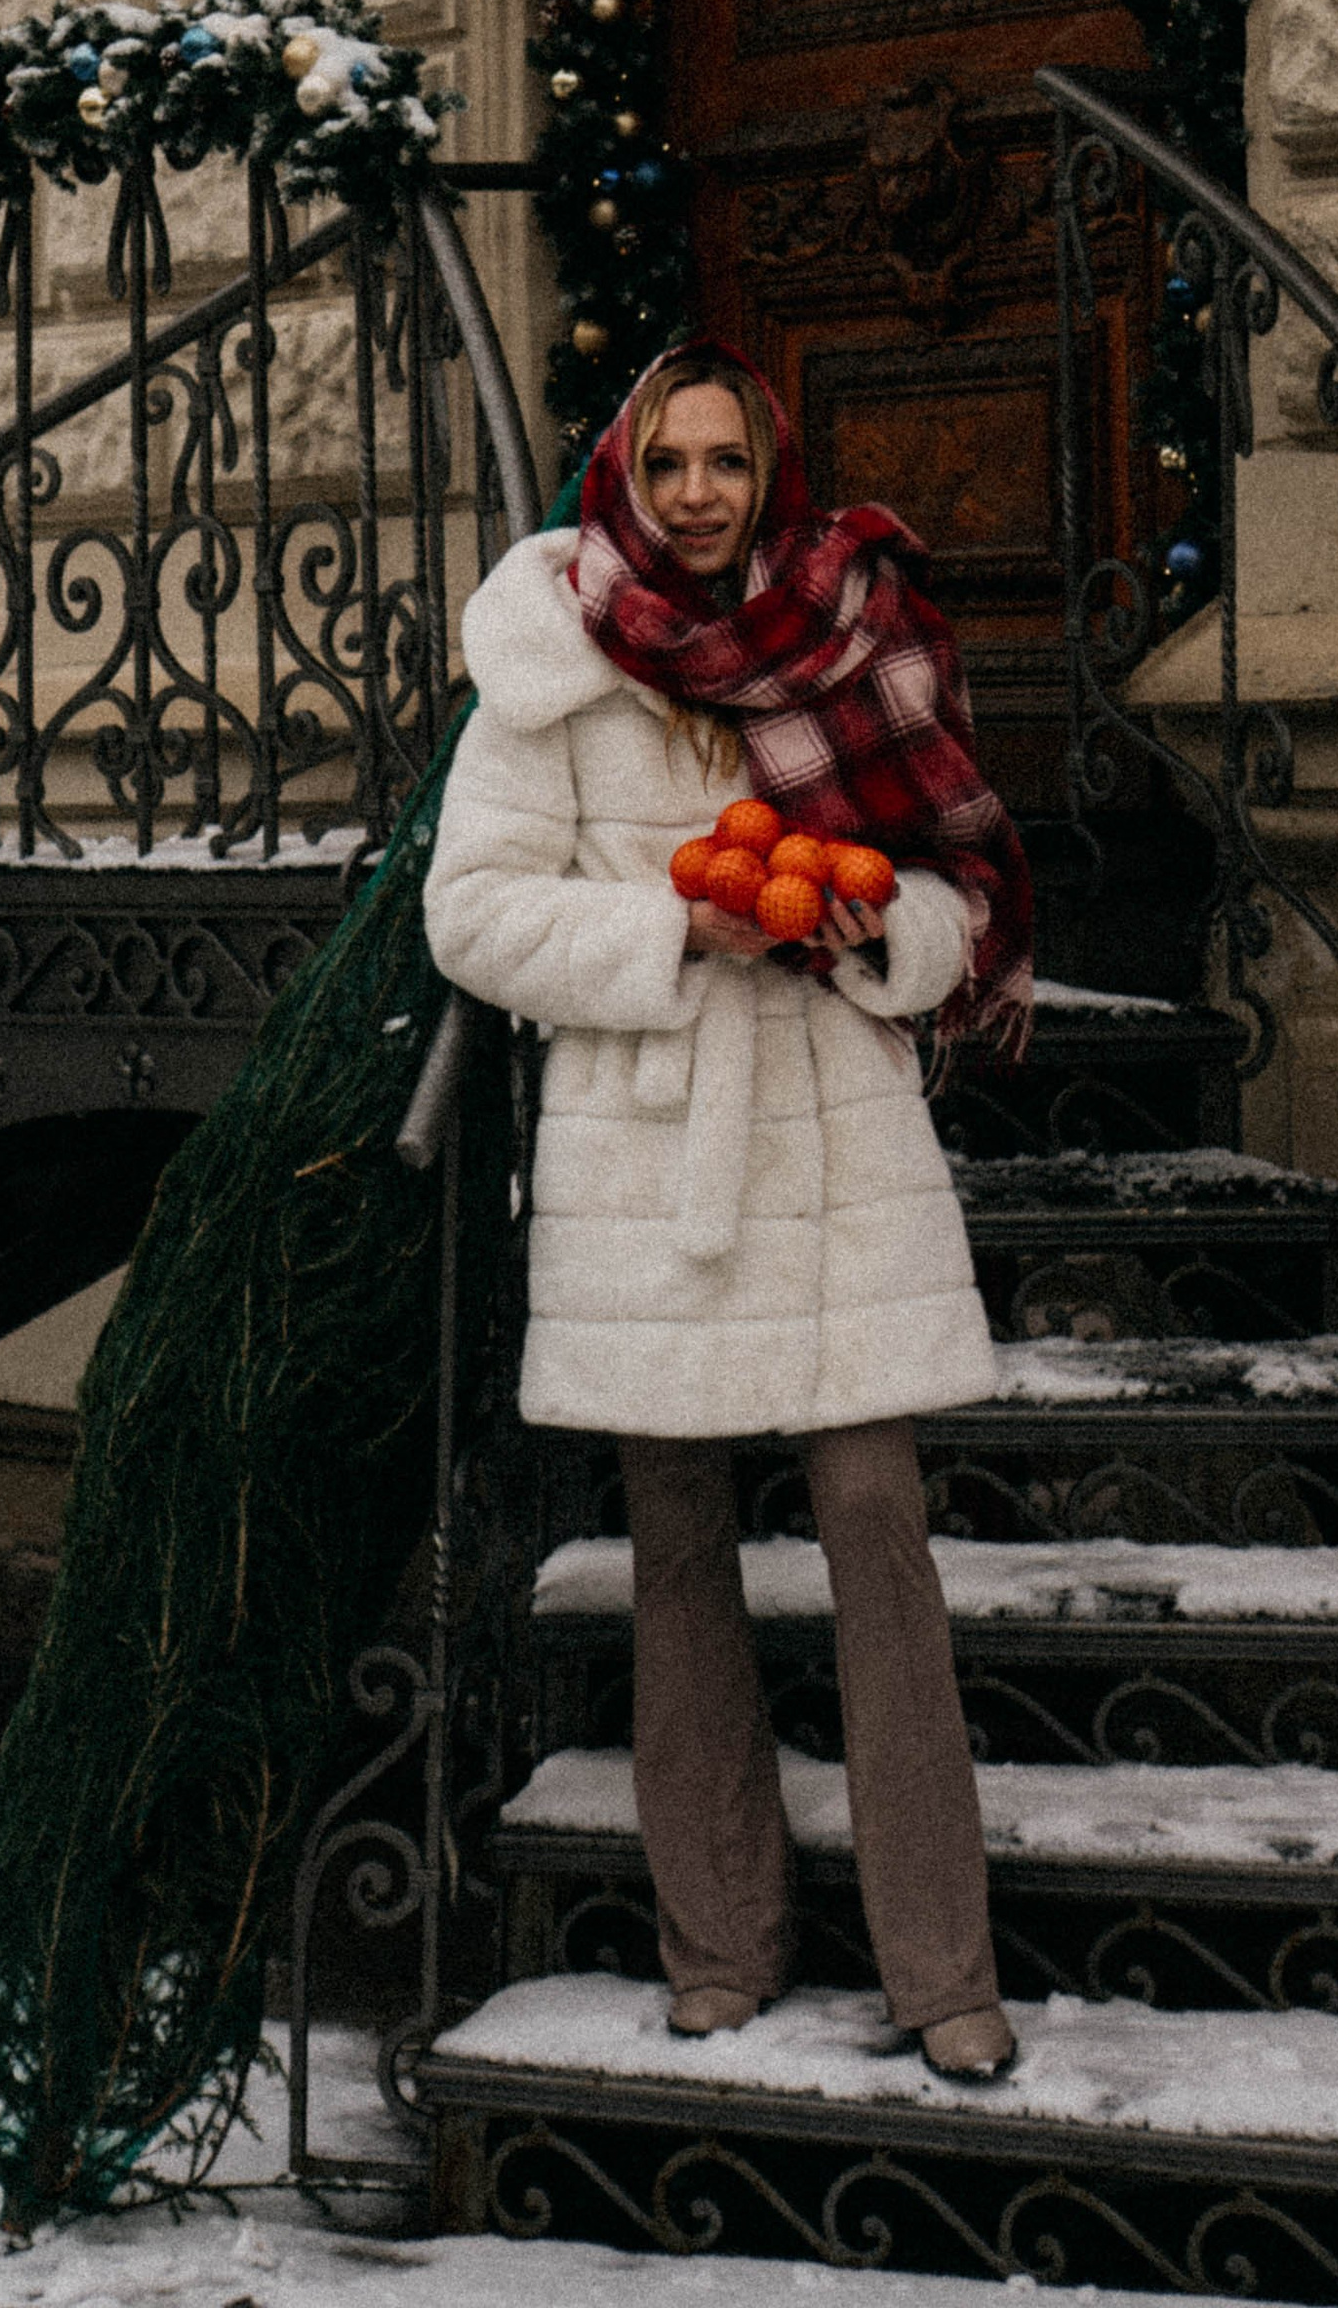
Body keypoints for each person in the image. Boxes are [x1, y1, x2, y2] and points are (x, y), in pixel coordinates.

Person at [424, 338, 1033, 2083]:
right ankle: (721, 1946)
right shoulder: (552, 659)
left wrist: (877, 938)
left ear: (770, 471)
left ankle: (942, 1971)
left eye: (726, 464)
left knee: (873, 1524)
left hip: (836, 1126)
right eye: (669, 463)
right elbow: (473, 915)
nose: (698, 495)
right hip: (656, 1144)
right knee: (679, 1546)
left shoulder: (858, 634)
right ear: (627, 469)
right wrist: (675, 934)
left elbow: (955, 890)